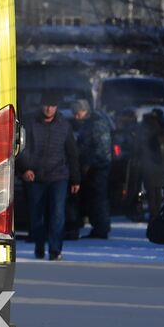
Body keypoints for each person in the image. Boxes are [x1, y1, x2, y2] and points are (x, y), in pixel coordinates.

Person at [21, 98, 81, 260]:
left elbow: (72, 152)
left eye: (52, 106)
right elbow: (21, 148)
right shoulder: (30, 123)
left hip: (58, 176)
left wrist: (75, 179)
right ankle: (39, 245)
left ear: (57, 107)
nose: (49, 109)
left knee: (57, 214)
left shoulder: (64, 126)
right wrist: (24, 169)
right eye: (46, 105)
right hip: (35, 177)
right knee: (37, 215)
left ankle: (55, 250)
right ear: (41, 106)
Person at [72, 99, 114, 239]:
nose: (76, 117)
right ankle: (98, 226)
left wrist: (89, 163)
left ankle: (101, 228)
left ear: (85, 110)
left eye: (77, 113)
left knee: (98, 198)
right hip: (93, 167)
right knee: (94, 198)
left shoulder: (97, 123)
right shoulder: (88, 123)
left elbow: (101, 148)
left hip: (98, 167)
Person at [135, 109, 164, 221]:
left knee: (151, 194)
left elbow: (139, 150)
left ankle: (154, 216)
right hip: (163, 168)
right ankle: (159, 215)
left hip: (149, 168)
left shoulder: (146, 135)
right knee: (159, 193)